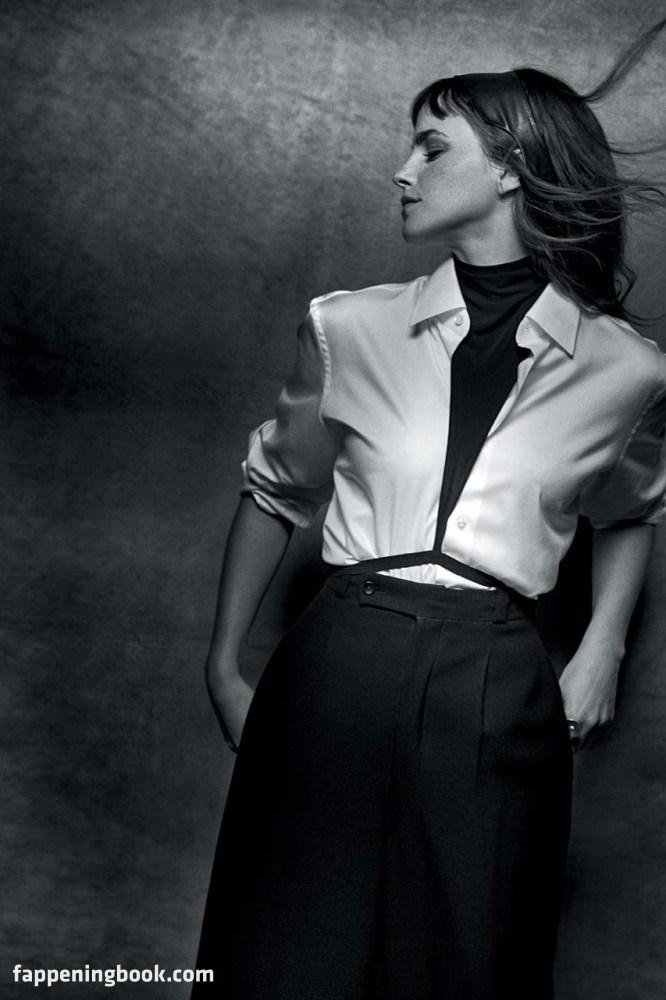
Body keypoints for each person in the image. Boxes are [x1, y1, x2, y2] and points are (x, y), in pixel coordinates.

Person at [192, 21, 666, 1000]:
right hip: (341, 658)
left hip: (497, 673)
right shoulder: (347, 326)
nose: (402, 171)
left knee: (470, 959)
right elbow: (276, 487)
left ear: (512, 169)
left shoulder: (627, 368)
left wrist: (603, 648)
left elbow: (631, 507)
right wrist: (225, 663)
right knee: (288, 952)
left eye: (432, 147)